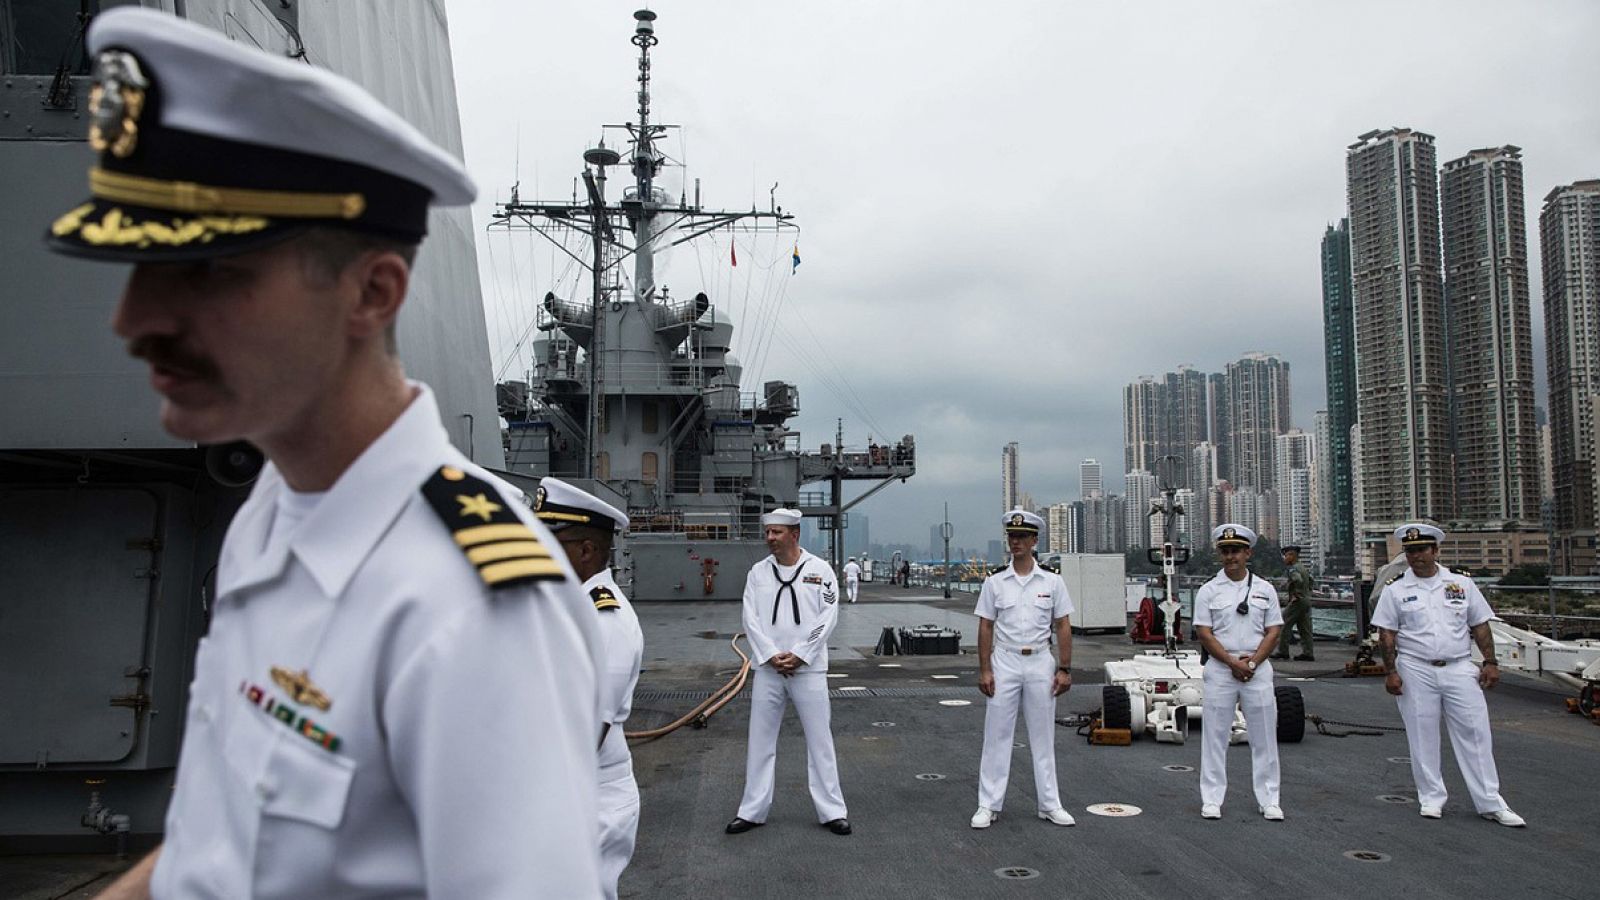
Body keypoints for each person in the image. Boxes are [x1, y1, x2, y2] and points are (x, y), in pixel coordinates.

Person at [57, 9, 603, 897]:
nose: (134, 323)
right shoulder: (272, 514)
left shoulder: (468, 606)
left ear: (372, 293)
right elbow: (218, 844)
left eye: (205, 273)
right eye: (135, 271)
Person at [1371, 524, 1525, 826]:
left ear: (1435, 550)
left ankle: (1491, 803)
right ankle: (1431, 798)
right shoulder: (1396, 589)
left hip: (1458, 666)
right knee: (1422, 735)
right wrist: (1391, 672)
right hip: (1415, 667)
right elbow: (1386, 634)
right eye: (1410, 550)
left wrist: (1491, 662)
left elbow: (1480, 624)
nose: (1416, 556)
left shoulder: (1461, 585)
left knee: (1476, 734)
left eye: (1422, 550)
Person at [535, 478, 645, 899]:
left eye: (550, 541)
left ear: (586, 550)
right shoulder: (568, 609)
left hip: (594, 798)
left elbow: (586, 734)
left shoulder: (606, 621)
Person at [726, 508, 851, 836]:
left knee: (820, 741)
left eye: (777, 533)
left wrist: (800, 654)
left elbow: (828, 616)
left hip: (808, 670)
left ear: (795, 534)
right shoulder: (758, 573)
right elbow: (749, 617)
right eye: (768, 533)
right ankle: (752, 810)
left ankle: (832, 811)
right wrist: (769, 654)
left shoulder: (820, 570)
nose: (770, 538)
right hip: (768, 671)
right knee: (760, 742)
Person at [970, 510, 1075, 829]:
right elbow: (986, 626)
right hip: (1006, 660)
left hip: (1040, 660)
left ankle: (1049, 803)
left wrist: (1065, 668)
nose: (1015, 542)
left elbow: (1063, 625)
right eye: (1011, 536)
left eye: (1021, 537)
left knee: (1043, 737)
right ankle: (988, 804)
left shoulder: (1052, 581)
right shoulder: (995, 581)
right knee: (996, 735)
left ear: (1034, 541)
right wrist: (985, 669)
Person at [1192, 524, 1285, 822]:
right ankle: (1212, 799)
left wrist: (1253, 663)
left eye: (1236, 551)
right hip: (1221, 669)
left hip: (1256, 669)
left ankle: (1269, 799)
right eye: (1225, 551)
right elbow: (1204, 634)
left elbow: (1274, 631)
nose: (1231, 556)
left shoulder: (1265, 589)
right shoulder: (1208, 590)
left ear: (1248, 553)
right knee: (1215, 737)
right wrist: (1233, 663)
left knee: (1265, 737)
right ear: (1220, 554)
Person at [1275, 545, 1315, 661]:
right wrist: (1307, 593)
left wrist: (1296, 593)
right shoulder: (1302, 567)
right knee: (1304, 628)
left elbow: (1298, 580)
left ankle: (1283, 651)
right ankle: (1308, 653)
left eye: (1286, 555)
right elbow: (1311, 581)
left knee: (1283, 623)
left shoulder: (1293, 568)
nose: (1285, 558)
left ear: (1292, 556)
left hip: (1298, 600)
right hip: (1306, 600)